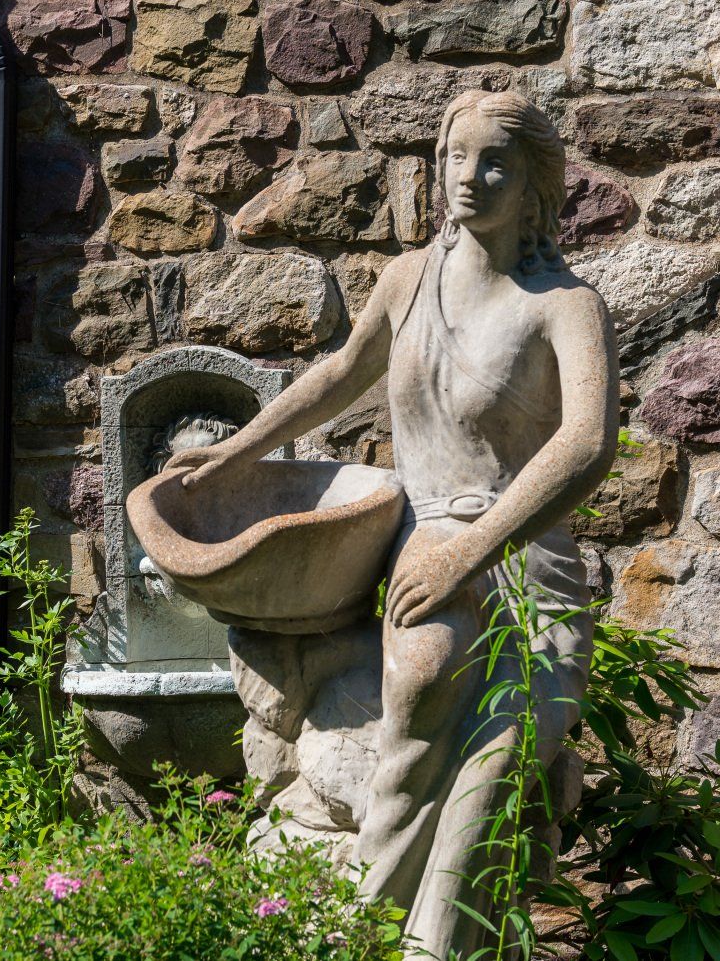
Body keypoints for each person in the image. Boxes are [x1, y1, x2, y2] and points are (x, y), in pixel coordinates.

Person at [167, 91, 619, 955]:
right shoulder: (409, 280)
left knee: (496, 765)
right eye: (456, 156)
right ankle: (374, 926)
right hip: (428, 537)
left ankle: (436, 945)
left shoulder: (564, 305)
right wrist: (234, 457)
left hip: (523, 555)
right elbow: (341, 372)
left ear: (534, 185)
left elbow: (588, 443)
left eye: (495, 163)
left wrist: (475, 551)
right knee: (415, 711)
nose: (469, 178)